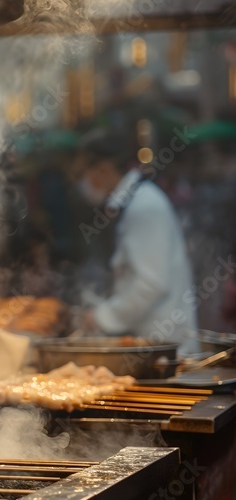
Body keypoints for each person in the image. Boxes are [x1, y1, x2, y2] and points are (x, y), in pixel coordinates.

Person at [75, 129, 198, 354]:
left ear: (104, 169)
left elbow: (150, 284)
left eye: (82, 172)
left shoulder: (145, 206)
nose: (81, 182)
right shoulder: (134, 202)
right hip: (152, 343)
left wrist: (103, 317)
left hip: (166, 348)